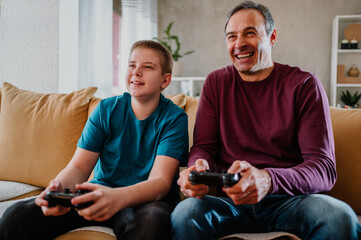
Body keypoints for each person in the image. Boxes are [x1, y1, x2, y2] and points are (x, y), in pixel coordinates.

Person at [171, 1, 361, 239]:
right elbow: (203, 148)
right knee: (184, 213)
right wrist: (197, 167)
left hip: (289, 202)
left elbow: (323, 169)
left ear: (272, 37)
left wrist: (268, 180)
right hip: (230, 203)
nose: (239, 43)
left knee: (338, 216)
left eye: (250, 33)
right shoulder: (215, 83)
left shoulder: (304, 85)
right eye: (232, 36)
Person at [0, 40, 189, 240]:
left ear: (165, 80)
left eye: (148, 67)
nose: (136, 71)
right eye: (132, 65)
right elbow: (79, 168)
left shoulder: (174, 118)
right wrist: (54, 192)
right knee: (16, 215)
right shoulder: (106, 110)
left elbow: (159, 183)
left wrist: (117, 197)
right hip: (98, 194)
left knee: (151, 223)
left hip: (142, 202)